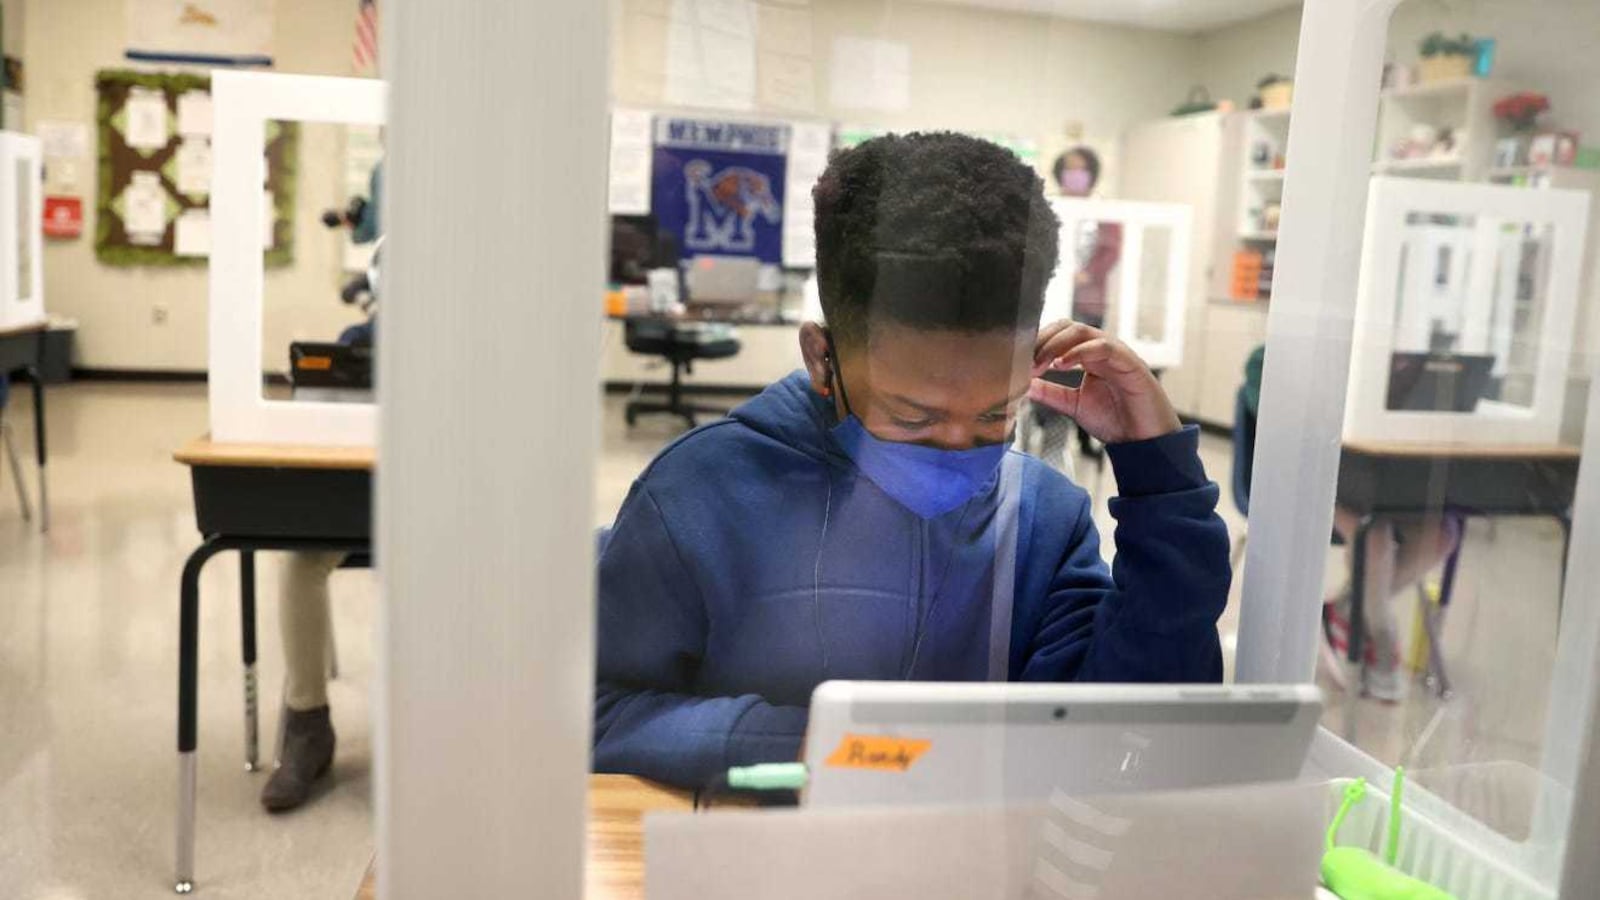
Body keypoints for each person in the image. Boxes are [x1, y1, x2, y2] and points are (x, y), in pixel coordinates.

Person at [592, 133, 1230, 790]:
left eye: (996, 413)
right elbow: (595, 712)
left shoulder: (1042, 515)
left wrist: (1161, 486)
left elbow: (1123, 736)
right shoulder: (699, 495)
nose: (958, 448)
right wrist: (822, 743)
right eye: (913, 416)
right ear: (822, 360)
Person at [1025, 146, 1123, 472]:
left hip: (1085, 305)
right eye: (1069, 169)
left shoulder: (1102, 210)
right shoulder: (1047, 203)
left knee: (1067, 371)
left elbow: (1111, 251)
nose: (1074, 175)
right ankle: (1032, 435)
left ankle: (1056, 444)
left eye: (1081, 170)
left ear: (1092, 174)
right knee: (1038, 364)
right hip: (1046, 303)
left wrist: (1086, 275)